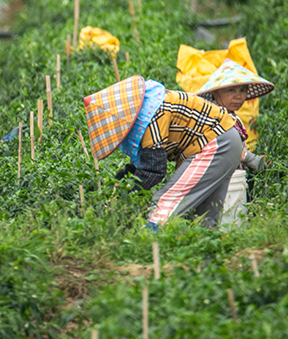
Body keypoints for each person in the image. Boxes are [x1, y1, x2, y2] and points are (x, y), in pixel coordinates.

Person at [87, 75, 241, 229]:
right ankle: (206, 249)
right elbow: (141, 166)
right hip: (226, 140)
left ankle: (145, 245)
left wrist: (122, 198)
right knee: (203, 220)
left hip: (217, 143)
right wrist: (117, 187)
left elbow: (154, 170)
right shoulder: (149, 109)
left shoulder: (153, 116)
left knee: (165, 205)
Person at [194, 59, 274, 174]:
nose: (238, 96)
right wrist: (248, 157)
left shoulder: (231, 116)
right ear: (216, 92)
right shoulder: (212, 117)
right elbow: (219, 149)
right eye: (231, 90)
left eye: (242, 90)